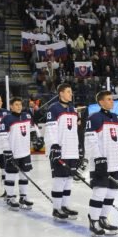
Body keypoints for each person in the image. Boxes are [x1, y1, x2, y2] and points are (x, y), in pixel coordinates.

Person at [84, 90, 118, 237]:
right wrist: (98, 158)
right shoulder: (94, 118)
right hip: (100, 162)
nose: (111, 102)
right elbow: (90, 141)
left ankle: (103, 218)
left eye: (112, 99)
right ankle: (93, 221)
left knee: (111, 192)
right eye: (108, 99)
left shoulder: (117, 118)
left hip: (115, 162)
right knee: (100, 192)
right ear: (101, 102)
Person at [45, 84, 81, 220]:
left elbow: (75, 131)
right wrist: (54, 146)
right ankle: (56, 208)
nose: (71, 94)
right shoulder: (53, 109)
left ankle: (65, 206)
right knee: (59, 179)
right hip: (60, 149)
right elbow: (50, 129)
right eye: (68, 91)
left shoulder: (72, 109)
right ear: (61, 93)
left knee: (68, 179)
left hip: (71, 149)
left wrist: (79, 148)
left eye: (71, 92)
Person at [0, 97, 37, 210]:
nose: (19, 106)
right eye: (16, 104)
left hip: (25, 152)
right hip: (13, 152)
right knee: (10, 175)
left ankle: (23, 197)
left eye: (20, 104)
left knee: (25, 175)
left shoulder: (27, 116)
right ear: (11, 106)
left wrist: (36, 137)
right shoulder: (6, 119)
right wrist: (7, 151)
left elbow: (32, 128)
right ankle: (9, 197)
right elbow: (2, 136)